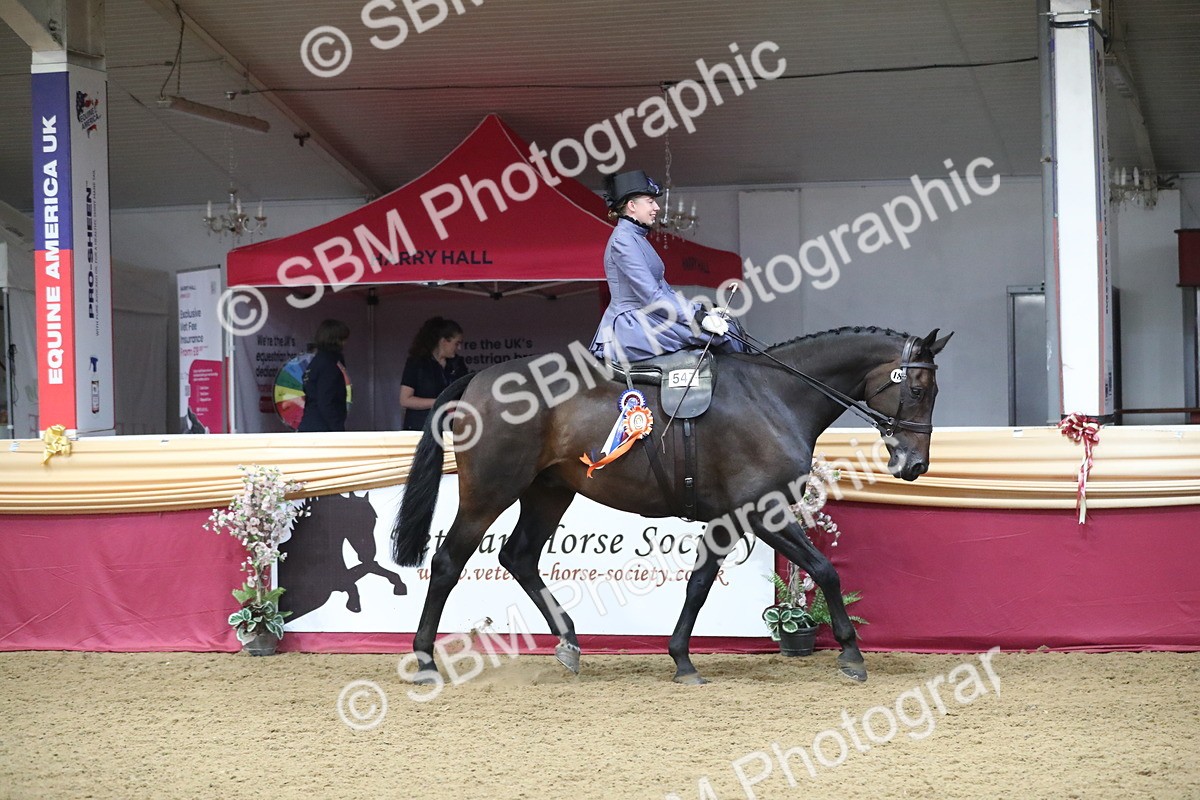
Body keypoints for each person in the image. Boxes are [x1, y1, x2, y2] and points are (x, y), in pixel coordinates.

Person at [588, 169, 743, 363]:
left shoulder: (636, 237)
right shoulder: (623, 240)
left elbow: (665, 292)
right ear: (632, 205)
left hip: (648, 315)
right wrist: (698, 317)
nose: (656, 208)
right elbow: (651, 295)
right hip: (633, 323)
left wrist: (703, 309)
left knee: (730, 327)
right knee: (723, 337)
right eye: (650, 201)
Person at [400, 316, 468, 431]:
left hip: (450, 427)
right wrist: (440, 402)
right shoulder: (417, 363)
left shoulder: (458, 364)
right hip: (421, 427)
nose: (459, 348)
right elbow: (405, 400)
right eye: (457, 343)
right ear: (443, 341)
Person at [298, 319, 350, 432]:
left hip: (311, 423)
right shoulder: (329, 364)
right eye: (343, 339)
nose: (345, 343)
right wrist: (337, 428)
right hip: (322, 428)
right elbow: (326, 400)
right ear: (336, 340)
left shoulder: (316, 362)